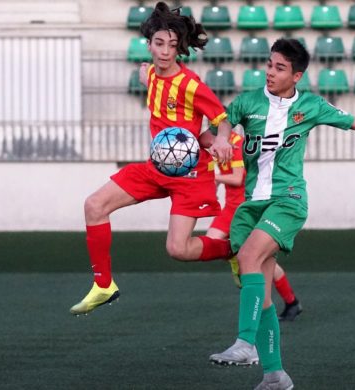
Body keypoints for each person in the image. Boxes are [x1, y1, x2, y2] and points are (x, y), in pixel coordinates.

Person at [208, 38, 355, 389]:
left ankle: (246, 343)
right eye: (269, 64)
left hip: (287, 200)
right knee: (264, 291)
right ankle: (275, 375)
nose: (270, 72)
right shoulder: (248, 102)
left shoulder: (310, 106)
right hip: (253, 204)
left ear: (296, 76)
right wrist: (223, 137)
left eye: (279, 67)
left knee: (250, 255)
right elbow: (224, 120)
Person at [69, 2, 233, 316]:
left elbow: (221, 119)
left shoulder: (191, 85)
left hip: (190, 176)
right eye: (159, 43)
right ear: (149, 44)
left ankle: (232, 248)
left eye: (172, 45)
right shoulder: (150, 75)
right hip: (156, 167)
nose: (165, 51)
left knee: (178, 249)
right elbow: (153, 83)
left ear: (179, 48)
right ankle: (104, 285)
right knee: (94, 206)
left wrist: (222, 138)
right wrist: (147, 79)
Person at [207, 130, 303, 323]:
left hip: (246, 208)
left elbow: (236, 178)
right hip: (230, 208)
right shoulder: (218, 144)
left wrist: (216, 179)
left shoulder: (237, 145)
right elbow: (217, 175)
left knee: (264, 260)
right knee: (211, 241)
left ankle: (291, 302)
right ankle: (238, 264)